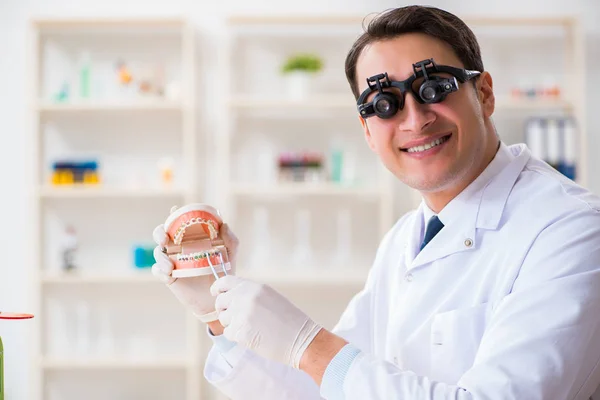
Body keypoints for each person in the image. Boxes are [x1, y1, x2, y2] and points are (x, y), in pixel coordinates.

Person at [152, 5, 600, 399]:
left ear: (483, 94)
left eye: (435, 87)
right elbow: (329, 388)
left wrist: (310, 345)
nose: (415, 119)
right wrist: (218, 316)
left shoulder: (571, 230)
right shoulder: (406, 239)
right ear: (368, 131)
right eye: (383, 104)